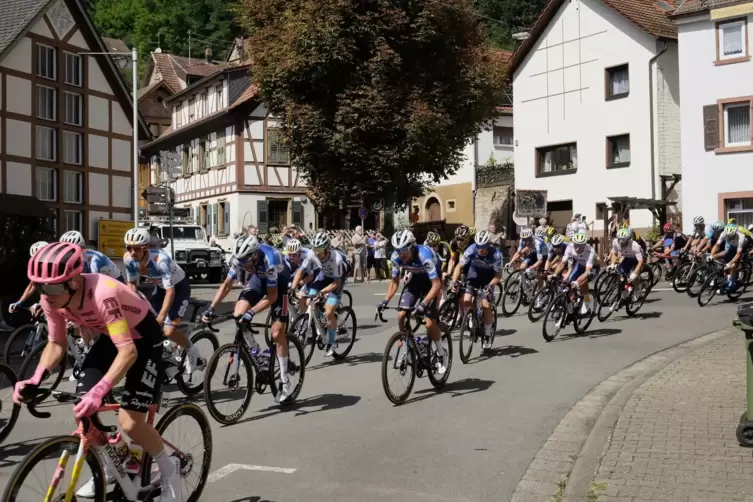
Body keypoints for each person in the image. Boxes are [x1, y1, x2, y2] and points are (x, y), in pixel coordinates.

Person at [13, 242, 181, 500]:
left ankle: (170, 468)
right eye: (40, 286)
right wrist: (36, 377)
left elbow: (129, 353)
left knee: (130, 422)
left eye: (53, 285)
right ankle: (115, 464)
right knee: (82, 409)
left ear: (74, 281)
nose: (46, 293)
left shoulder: (103, 292)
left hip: (143, 339)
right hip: (111, 338)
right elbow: (56, 344)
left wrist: (100, 390)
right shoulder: (51, 299)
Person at [202, 235, 294, 402]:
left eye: (245, 261)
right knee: (238, 313)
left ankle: (285, 381)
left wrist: (253, 312)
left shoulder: (269, 260)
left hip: (279, 284)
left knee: (277, 332)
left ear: (254, 255)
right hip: (259, 278)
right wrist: (211, 307)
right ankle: (256, 352)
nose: (242, 264)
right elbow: (227, 285)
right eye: (240, 260)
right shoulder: (241, 259)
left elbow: (272, 296)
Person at [123, 228, 202, 376]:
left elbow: (170, 292)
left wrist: (161, 316)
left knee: (168, 329)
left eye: (137, 248)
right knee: (147, 323)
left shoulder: (160, 260)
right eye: (129, 248)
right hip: (159, 289)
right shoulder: (128, 259)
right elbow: (131, 284)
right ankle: (168, 354)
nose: (132, 252)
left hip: (178, 289)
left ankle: (192, 350)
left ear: (146, 248)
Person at [377, 229, 447, 375]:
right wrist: (384, 301)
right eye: (397, 250)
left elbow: (436, 285)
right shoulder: (396, 257)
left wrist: (423, 304)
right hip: (415, 280)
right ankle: (406, 345)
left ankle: (441, 352)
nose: (400, 253)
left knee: (429, 324)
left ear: (412, 246)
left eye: (403, 250)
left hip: (431, 282)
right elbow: (394, 283)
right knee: (401, 315)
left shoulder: (424, 256)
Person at [294, 232, 347, 356]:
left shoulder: (336, 259)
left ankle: (332, 341)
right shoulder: (312, 253)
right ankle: (323, 323)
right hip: (324, 275)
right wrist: (293, 287)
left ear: (326, 249)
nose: (316, 252)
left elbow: (336, 283)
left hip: (337, 279)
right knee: (309, 301)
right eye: (314, 248)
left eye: (319, 249)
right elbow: (301, 271)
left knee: (328, 312)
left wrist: (322, 293)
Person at [451, 230, 502, 349]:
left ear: (488, 245)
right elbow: (459, 266)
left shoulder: (496, 255)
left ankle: (488, 333)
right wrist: (454, 281)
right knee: (466, 299)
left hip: (488, 278)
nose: (480, 249)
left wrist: (491, 285)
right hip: (474, 275)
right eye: (479, 246)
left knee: (485, 304)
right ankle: (470, 317)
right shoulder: (471, 250)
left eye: (483, 247)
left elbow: (498, 276)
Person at [552, 232, 597, 315]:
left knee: (582, 282)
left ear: (585, 245)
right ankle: (573, 302)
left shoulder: (590, 250)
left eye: (580, 246)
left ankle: (587, 300)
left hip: (592, 268)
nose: (577, 249)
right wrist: (554, 274)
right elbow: (562, 263)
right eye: (576, 245)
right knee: (569, 283)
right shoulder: (570, 247)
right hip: (580, 265)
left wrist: (577, 282)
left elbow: (587, 271)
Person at [9, 241, 48, 315]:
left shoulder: (55, 267)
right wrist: (19, 302)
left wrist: (42, 305)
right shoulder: (38, 267)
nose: (38, 262)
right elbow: (32, 285)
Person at [709, 224, 749, 291]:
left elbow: (738, 254)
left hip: (742, 247)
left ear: (735, 233)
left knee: (733, 265)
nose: (730, 237)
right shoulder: (724, 233)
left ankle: (732, 282)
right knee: (716, 257)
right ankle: (725, 274)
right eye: (729, 236)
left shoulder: (741, 237)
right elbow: (717, 245)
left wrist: (730, 263)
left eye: (732, 236)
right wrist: (711, 255)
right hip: (733, 246)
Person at [608, 228, 646, 294]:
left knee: (634, 276)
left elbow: (640, 261)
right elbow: (615, 253)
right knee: (620, 272)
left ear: (628, 239)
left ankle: (638, 289)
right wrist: (612, 264)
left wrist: (634, 273)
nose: (621, 242)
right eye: (619, 239)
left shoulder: (635, 246)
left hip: (638, 260)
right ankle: (625, 288)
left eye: (623, 240)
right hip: (628, 258)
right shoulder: (615, 242)